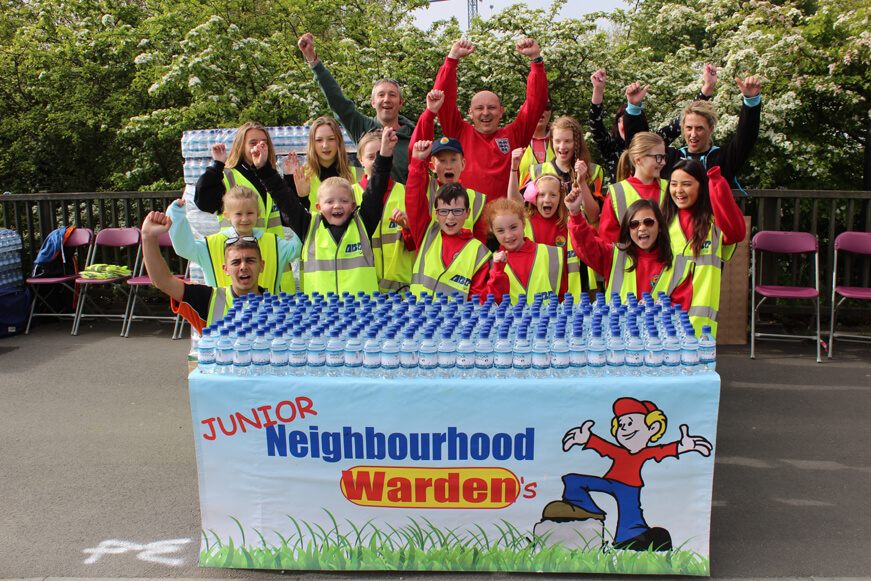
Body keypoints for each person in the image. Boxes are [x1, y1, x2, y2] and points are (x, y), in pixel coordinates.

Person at [547, 397, 712, 551]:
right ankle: (590, 513)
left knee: (630, 517)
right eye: (621, 424)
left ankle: (632, 540)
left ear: (652, 428)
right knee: (573, 480)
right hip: (610, 483)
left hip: (630, 487)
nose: (624, 428)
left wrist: (681, 446)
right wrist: (588, 439)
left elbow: (660, 451)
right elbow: (605, 447)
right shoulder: (620, 452)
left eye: (630, 423)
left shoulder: (643, 453)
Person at [429, 37, 549, 200]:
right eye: (479, 108)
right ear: (470, 113)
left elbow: (536, 103)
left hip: (503, 222)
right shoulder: (459, 132)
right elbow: (441, 100)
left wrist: (535, 60)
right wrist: (451, 59)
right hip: (467, 222)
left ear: (501, 112)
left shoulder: (514, 135)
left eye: (491, 107)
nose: (486, 112)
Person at [281, 127, 397, 296]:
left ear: (353, 205)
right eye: (329, 201)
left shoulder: (362, 224)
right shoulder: (309, 227)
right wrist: (264, 169)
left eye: (343, 201)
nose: (337, 206)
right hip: (321, 314)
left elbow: (376, 189)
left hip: (361, 314)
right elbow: (284, 201)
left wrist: (385, 154)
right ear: (318, 207)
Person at [298, 32, 415, 183]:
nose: (386, 99)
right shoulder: (362, 127)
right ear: (373, 102)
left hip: (403, 205)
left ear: (401, 102)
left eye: (392, 95)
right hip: (371, 205)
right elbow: (337, 101)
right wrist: (313, 60)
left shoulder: (414, 135)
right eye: (381, 95)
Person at [622, 73, 762, 185]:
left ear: (711, 129)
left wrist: (751, 101)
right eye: (689, 128)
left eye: (699, 128)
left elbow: (747, 137)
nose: (693, 134)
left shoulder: (724, 158)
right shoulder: (670, 158)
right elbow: (639, 146)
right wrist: (633, 107)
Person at [141, 210, 265, 333]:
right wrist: (148, 237)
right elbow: (163, 281)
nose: (243, 267)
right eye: (236, 262)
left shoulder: (279, 306)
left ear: (261, 266)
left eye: (250, 261)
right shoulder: (209, 299)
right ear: (225, 269)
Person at [588, 66, 717, 183]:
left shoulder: (655, 145)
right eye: (620, 121)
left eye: (627, 120)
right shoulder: (611, 149)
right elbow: (596, 126)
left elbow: (682, 121)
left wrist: (707, 88)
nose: (623, 125)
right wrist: (598, 90)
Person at [662, 160, 745, 337]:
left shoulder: (713, 225)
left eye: (687, 184)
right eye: (674, 184)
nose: (678, 190)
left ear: (701, 187)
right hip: (662, 317)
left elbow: (737, 232)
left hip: (699, 325)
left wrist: (717, 185)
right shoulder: (661, 221)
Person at [565, 193, 693, 308]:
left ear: (660, 226)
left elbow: (679, 311)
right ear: (628, 229)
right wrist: (575, 213)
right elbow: (586, 246)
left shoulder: (679, 266)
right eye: (634, 224)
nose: (642, 228)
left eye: (648, 222)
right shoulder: (614, 255)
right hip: (617, 332)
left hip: (658, 333)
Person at [167, 186, 301, 294]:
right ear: (227, 216)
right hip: (225, 320)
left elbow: (297, 248)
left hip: (265, 319)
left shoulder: (273, 242)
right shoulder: (211, 245)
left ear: (258, 213)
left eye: (249, 213)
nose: (245, 219)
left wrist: (298, 210)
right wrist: (176, 216)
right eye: (238, 214)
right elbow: (184, 248)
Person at [405, 140, 492, 300]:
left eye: (457, 211)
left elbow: (479, 296)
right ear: (436, 213)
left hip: (457, 322)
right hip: (420, 318)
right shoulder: (427, 233)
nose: (450, 217)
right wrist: (417, 161)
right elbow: (413, 200)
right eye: (444, 211)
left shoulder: (477, 250)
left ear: (467, 212)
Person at [408, 89, 489, 244]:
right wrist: (430, 114)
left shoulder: (477, 199)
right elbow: (416, 158)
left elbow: (480, 244)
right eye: (442, 161)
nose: (448, 166)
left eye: (453, 160)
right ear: (432, 166)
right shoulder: (426, 189)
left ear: (463, 164)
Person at [194, 122, 295, 237]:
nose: (258, 147)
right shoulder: (227, 175)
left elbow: (288, 216)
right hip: (239, 250)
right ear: (241, 146)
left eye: (263, 143)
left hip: (271, 250)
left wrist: (289, 178)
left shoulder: (271, 178)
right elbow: (203, 204)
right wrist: (217, 165)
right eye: (253, 143)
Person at [352, 129, 413, 293]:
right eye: (371, 157)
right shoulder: (349, 195)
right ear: (361, 160)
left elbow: (418, 245)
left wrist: (408, 227)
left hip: (400, 287)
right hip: (364, 287)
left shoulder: (406, 193)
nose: (376, 161)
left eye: (381, 155)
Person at [480, 198, 564, 304]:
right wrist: (497, 272)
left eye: (513, 227)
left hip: (549, 319)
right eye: (501, 230)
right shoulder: (491, 262)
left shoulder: (551, 254)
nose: (509, 235)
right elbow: (494, 302)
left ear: (524, 223)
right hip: (511, 320)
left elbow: (564, 296)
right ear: (492, 231)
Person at [598, 132, 669, 244]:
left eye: (664, 157)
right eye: (658, 157)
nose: (663, 162)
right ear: (638, 159)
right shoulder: (617, 192)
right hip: (630, 260)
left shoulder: (670, 188)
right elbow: (608, 240)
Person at [521, 115, 606, 204]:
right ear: (552, 140)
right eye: (557, 141)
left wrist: (582, 183)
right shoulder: (536, 172)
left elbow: (594, 216)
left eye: (568, 141)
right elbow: (518, 203)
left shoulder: (593, 171)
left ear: (577, 142)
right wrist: (513, 169)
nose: (562, 147)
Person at [283, 116, 363, 208]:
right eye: (319, 140)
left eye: (331, 139)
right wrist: (290, 181)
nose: (325, 145)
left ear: (339, 141)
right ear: (312, 143)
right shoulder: (301, 177)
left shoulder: (359, 175)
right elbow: (290, 218)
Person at [517, 100, 555, 186]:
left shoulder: (560, 140)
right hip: (521, 198)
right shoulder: (516, 139)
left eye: (546, 107)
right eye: (536, 107)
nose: (541, 111)